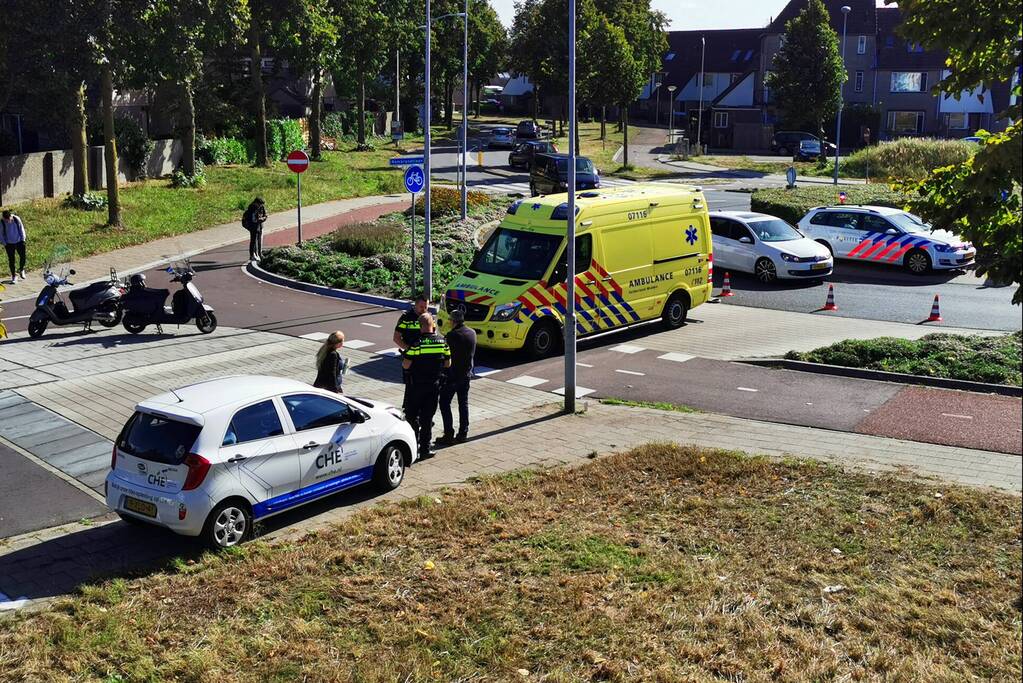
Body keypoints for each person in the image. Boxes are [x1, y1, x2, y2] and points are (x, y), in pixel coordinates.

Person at [402, 312, 450, 460]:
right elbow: (448, 363)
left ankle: (412, 446)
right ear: (433, 324)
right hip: (434, 386)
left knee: (412, 416)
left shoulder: (417, 344)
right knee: (427, 419)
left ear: (420, 326)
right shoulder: (442, 342)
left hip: (416, 387)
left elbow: (406, 365)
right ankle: (425, 450)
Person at [436, 309, 476, 445]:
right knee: (463, 404)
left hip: (452, 377)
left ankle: (448, 434)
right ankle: (463, 433)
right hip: (466, 375)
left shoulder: (451, 336)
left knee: (444, 403)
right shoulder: (472, 333)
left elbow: (445, 356)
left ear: (453, 321)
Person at [393, 295, 430, 413]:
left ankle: (420, 411)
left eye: (426, 307)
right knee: (410, 385)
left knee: (422, 386)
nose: (423, 309)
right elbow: (396, 338)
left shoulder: (428, 317)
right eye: (421, 307)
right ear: (415, 305)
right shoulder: (406, 318)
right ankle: (409, 410)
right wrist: (409, 349)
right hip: (410, 358)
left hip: (424, 359)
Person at [1, 210, 27, 284]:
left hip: (19, 241)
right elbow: (1, 234)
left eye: (8, 219)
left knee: (23, 256)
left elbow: (21, 229)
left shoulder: (16, 219)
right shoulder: (2, 222)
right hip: (9, 244)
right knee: (11, 260)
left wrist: (23, 239)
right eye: (6, 220)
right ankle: (14, 276)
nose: (8, 221)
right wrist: (4, 243)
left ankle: (21, 269)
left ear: (10, 216)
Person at [242, 197, 267, 262]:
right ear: (256, 203)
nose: (261, 206)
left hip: (260, 226)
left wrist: (263, 218)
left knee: (260, 240)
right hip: (253, 227)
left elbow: (265, 215)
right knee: (253, 240)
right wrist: (259, 219)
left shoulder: (261, 207)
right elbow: (253, 219)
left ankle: (259, 253)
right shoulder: (252, 208)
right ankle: (253, 255)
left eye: (262, 204)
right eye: (260, 204)